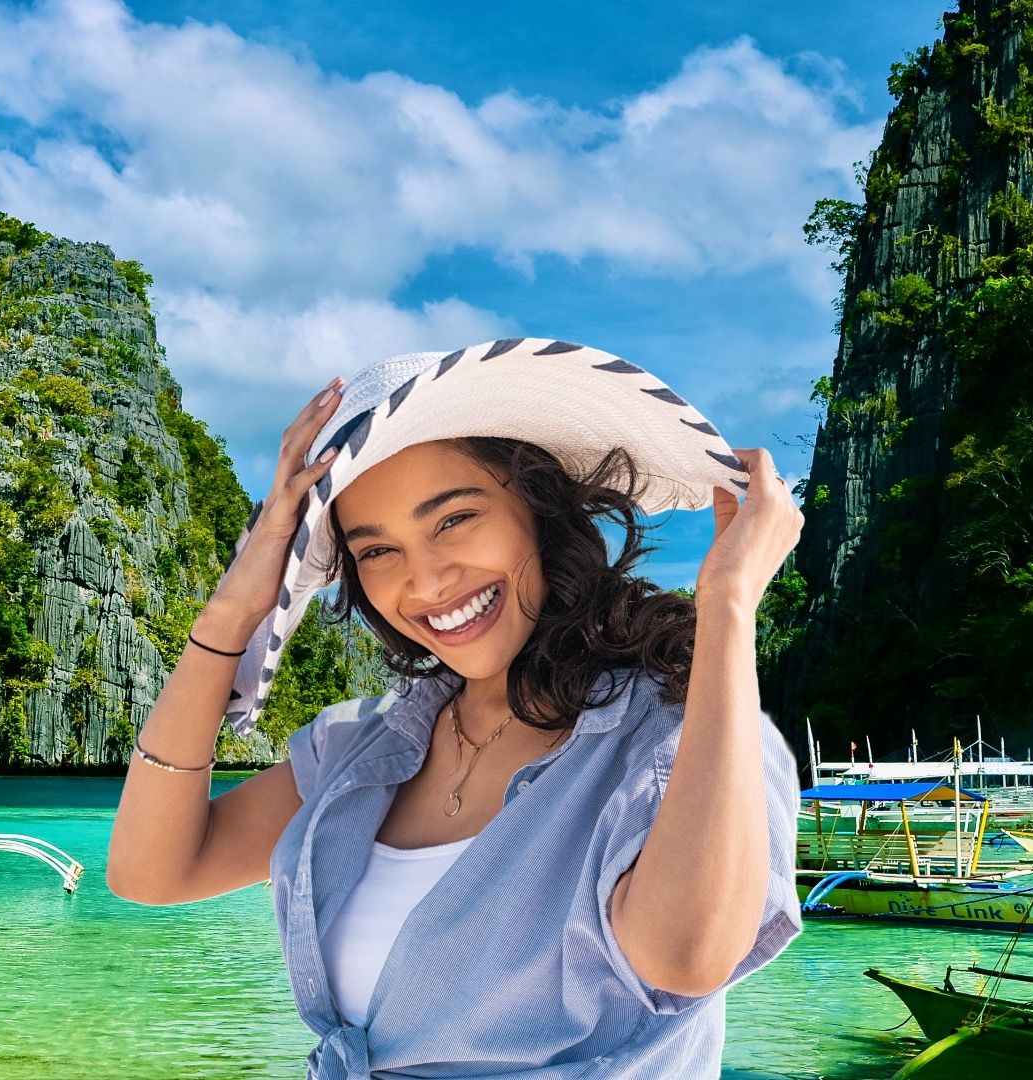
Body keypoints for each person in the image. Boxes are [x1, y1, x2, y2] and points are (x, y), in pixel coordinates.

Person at [107, 340, 805, 1078]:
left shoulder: (685, 743)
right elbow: (153, 872)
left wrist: (728, 608)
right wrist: (228, 616)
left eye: (454, 519)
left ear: (537, 510)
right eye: (377, 552)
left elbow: (686, 957)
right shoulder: (362, 752)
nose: (429, 581)